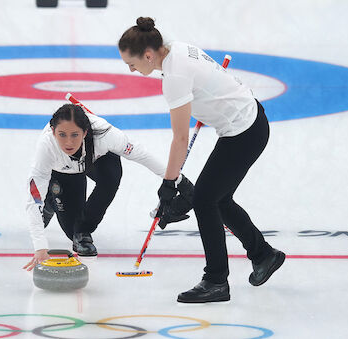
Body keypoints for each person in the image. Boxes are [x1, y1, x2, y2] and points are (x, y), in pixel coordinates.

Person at [118, 17, 285, 303]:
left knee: (205, 200)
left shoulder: (175, 78)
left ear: (148, 55)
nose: (131, 69)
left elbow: (180, 140)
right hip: (248, 122)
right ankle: (263, 255)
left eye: (131, 63)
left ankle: (216, 281)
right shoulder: (173, 47)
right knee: (218, 199)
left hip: (244, 131)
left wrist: (169, 185)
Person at [23, 103, 193, 271]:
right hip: (63, 171)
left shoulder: (106, 135)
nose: (68, 142)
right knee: (69, 229)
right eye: (62, 134)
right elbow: (34, 196)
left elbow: (141, 154)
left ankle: (83, 232)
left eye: (75, 134)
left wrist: (179, 180)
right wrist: (40, 247)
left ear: (85, 132)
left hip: (96, 160)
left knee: (111, 176)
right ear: (53, 132)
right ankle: (52, 203)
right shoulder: (46, 146)